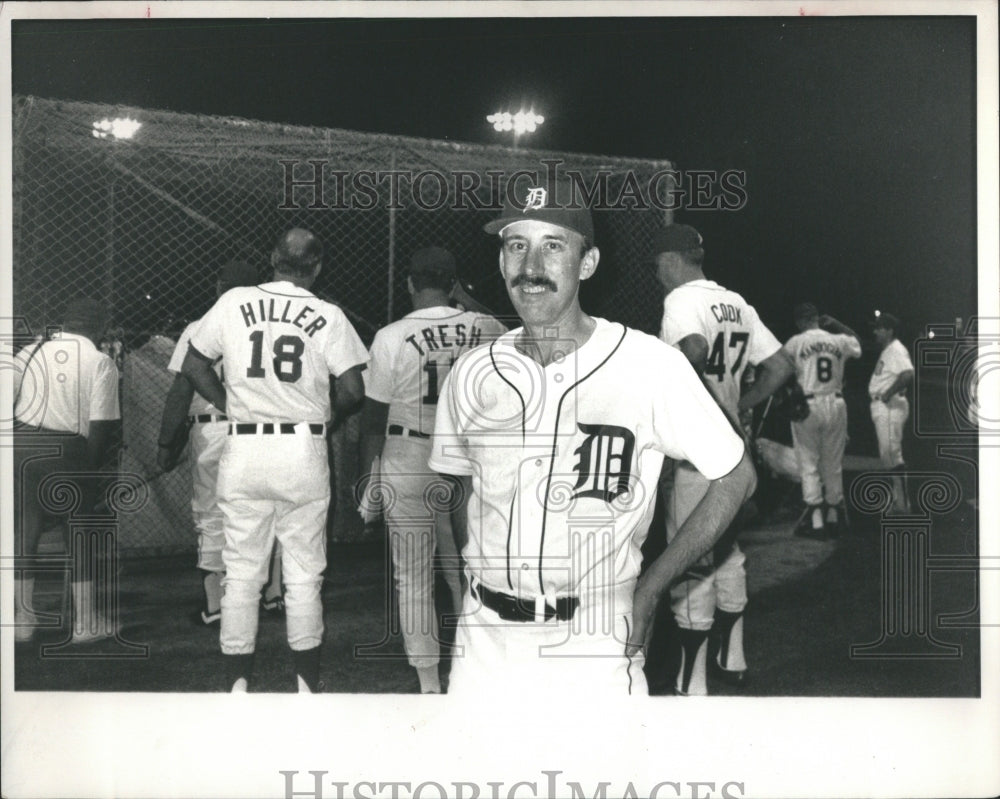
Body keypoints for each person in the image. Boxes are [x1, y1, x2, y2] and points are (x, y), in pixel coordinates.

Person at [428, 185, 756, 698]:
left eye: (554, 246)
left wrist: (651, 590)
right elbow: (458, 488)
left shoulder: (650, 365)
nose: (530, 266)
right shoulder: (473, 371)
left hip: (596, 636)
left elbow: (735, 476)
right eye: (516, 245)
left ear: (588, 263)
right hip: (484, 639)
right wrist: (463, 589)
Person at [181, 228, 367, 693]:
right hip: (302, 447)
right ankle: (306, 685)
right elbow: (353, 391)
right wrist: (327, 414)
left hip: (244, 445)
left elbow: (193, 363)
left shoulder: (234, 301)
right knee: (304, 573)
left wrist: (229, 404)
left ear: (272, 259)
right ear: (318, 267)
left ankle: (238, 685)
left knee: (241, 572)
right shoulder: (328, 313)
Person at [652, 223, 793, 696]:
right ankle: (733, 659)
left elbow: (691, 350)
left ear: (670, 259)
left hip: (696, 452)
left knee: (690, 558)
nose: (657, 275)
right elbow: (780, 366)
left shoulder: (681, 302)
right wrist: (742, 405)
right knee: (729, 551)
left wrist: (671, 399)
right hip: (731, 444)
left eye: (657, 265)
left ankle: (689, 683)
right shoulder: (737, 302)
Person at [359, 246, 506, 693]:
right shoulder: (483, 325)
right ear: (453, 283)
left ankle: (428, 684)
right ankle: (472, 669)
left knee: (413, 576)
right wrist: (469, 299)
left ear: (409, 284)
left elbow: (371, 420)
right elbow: (525, 336)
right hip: (468, 456)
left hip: (408, 453)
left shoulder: (391, 335)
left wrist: (368, 479)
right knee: (468, 568)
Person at [157, 260, 284, 627]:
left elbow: (181, 391)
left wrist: (166, 445)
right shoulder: (271, 328)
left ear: (218, 287)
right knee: (265, 508)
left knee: (211, 514)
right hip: (261, 428)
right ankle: (272, 593)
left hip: (212, 429)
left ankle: (216, 603)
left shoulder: (200, 327)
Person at [12, 297, 121, 643]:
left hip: (22, 447)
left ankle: (22, 621)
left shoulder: (28, 353)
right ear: (99, 328)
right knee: (80, 531)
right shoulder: (101, 361)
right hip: (68, 449)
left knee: (25, 531)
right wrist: (89, 474)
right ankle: (86, 623)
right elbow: (102, 426)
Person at [783, 303, 862, 537]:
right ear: (818, 318)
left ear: (799, 322)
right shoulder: (838, 340)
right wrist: (837, 324)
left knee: (808, 461)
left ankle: (816, 521)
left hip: (807, 404)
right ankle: (834, 516)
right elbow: (856, 341)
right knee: (833, 462)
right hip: (836, 403)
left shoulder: (796, 342)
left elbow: (780, 367)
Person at [868, 311, 914, 514]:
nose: (875, 331)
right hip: (885, 406)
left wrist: (887, 393)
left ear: (889, 330)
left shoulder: (896, 349)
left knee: (891, 454)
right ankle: (899, 502)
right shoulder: (888, 349)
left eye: (879, 328)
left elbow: (908, 374)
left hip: (889, 406)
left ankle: (903, 505)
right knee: (888, 455)